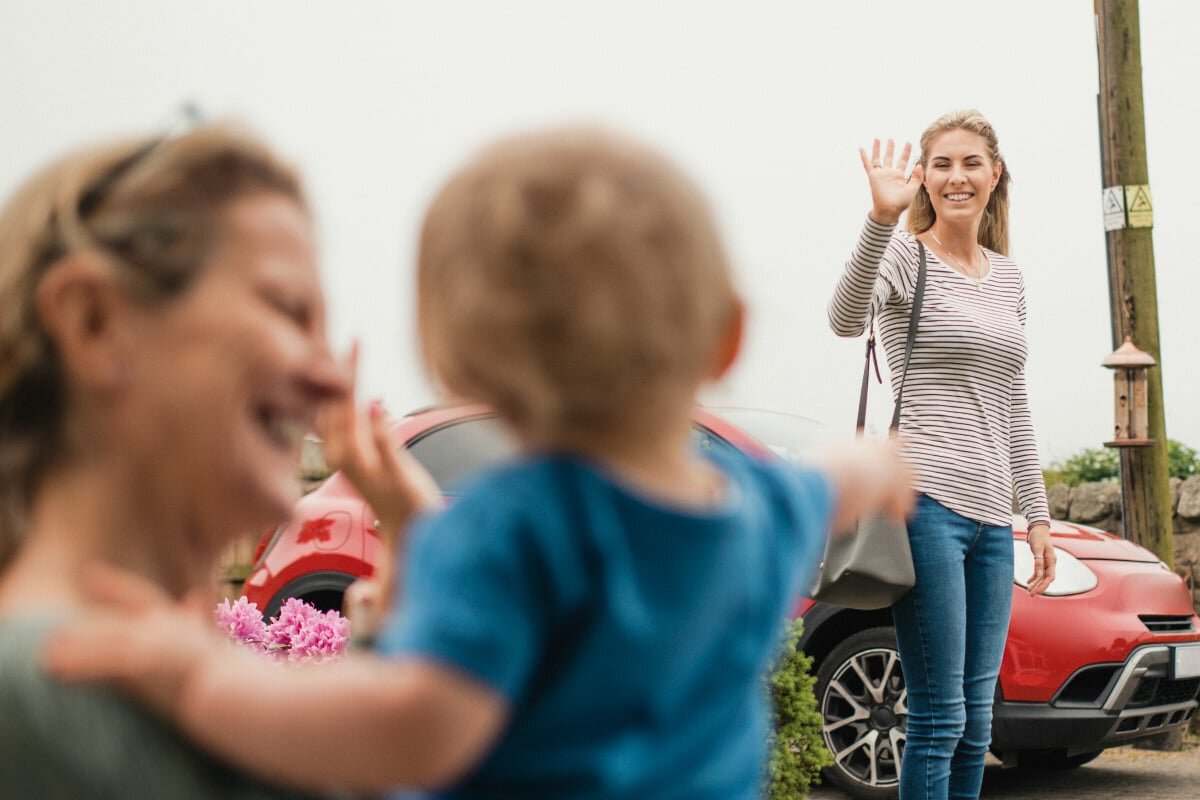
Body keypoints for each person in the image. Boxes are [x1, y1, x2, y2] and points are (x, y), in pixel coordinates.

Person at [44, 126, 913, 800]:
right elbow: (841, 479)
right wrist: (881, 466)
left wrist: (196, 678)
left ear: (452, 361)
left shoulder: (507, 529)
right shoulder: (758, 506)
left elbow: (412, 726)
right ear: (727, 338)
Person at [0, 122, 347, 797]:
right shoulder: (31, 705)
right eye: (287, 308)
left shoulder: (201, 695)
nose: (333, 379)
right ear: (94, 322)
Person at [827, 109, 1056, 800]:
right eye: (943, 164)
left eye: (972, 163)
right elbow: (843, 318)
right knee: (937, 716)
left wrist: (1036, 515)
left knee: (977, 723)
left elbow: (1014, 401)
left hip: (992, 519)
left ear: (995, 175)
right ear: (924, 177)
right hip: (925, 503)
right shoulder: (903, 254)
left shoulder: (1009, 278)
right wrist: (878, 220)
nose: (958, 177)